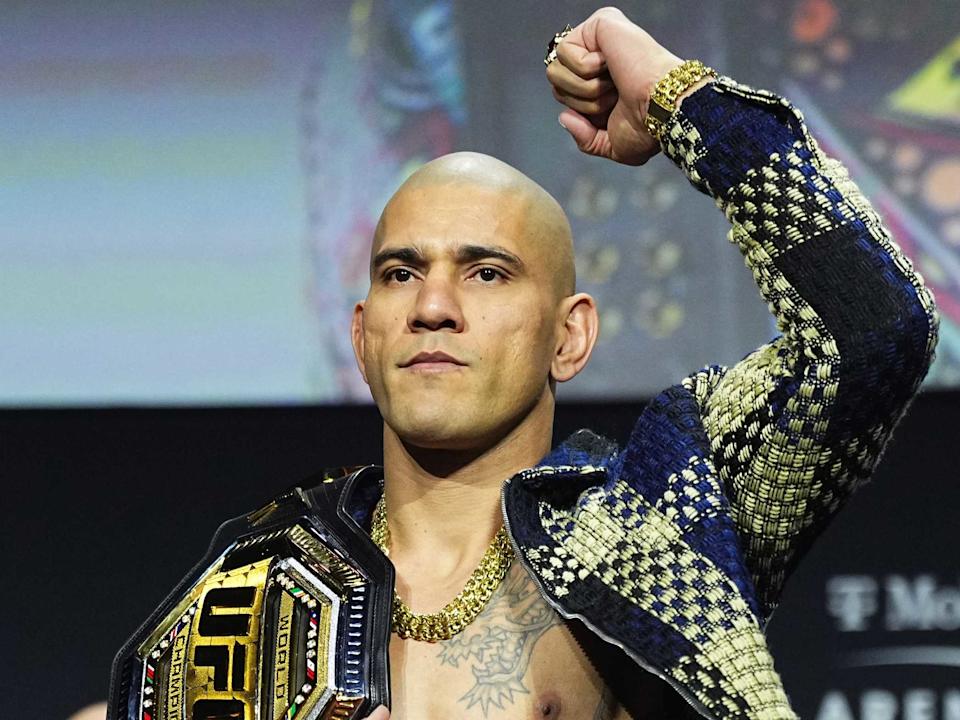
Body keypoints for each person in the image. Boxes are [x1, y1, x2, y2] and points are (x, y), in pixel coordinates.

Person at [347, 6, 938, 719]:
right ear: (363, 334)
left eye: (487, 273)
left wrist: (673, 96)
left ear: (570, 337)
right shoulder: (256, 585)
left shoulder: (667, 514)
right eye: (400, 274)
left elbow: (877, 328)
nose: (432, 306)